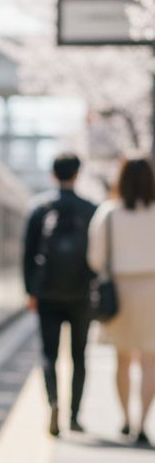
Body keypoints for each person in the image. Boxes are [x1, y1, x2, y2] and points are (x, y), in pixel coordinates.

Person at [23, 151, 96, 436]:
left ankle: (53, 402)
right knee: (80, 356)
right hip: (81, 295)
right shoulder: (90, 209)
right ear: (77, 174)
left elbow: (28, 254)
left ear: (53, 175)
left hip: (47, 294)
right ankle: (75, 416)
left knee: (48, 354)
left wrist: (31, 292)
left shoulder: (39, 208)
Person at [88, 155, 155, 445]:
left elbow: (95, 259)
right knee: (151, 361)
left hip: (120, 291)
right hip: (153, 289)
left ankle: (126, 421)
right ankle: (143, 425)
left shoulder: (109, 213)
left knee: (123, 359)